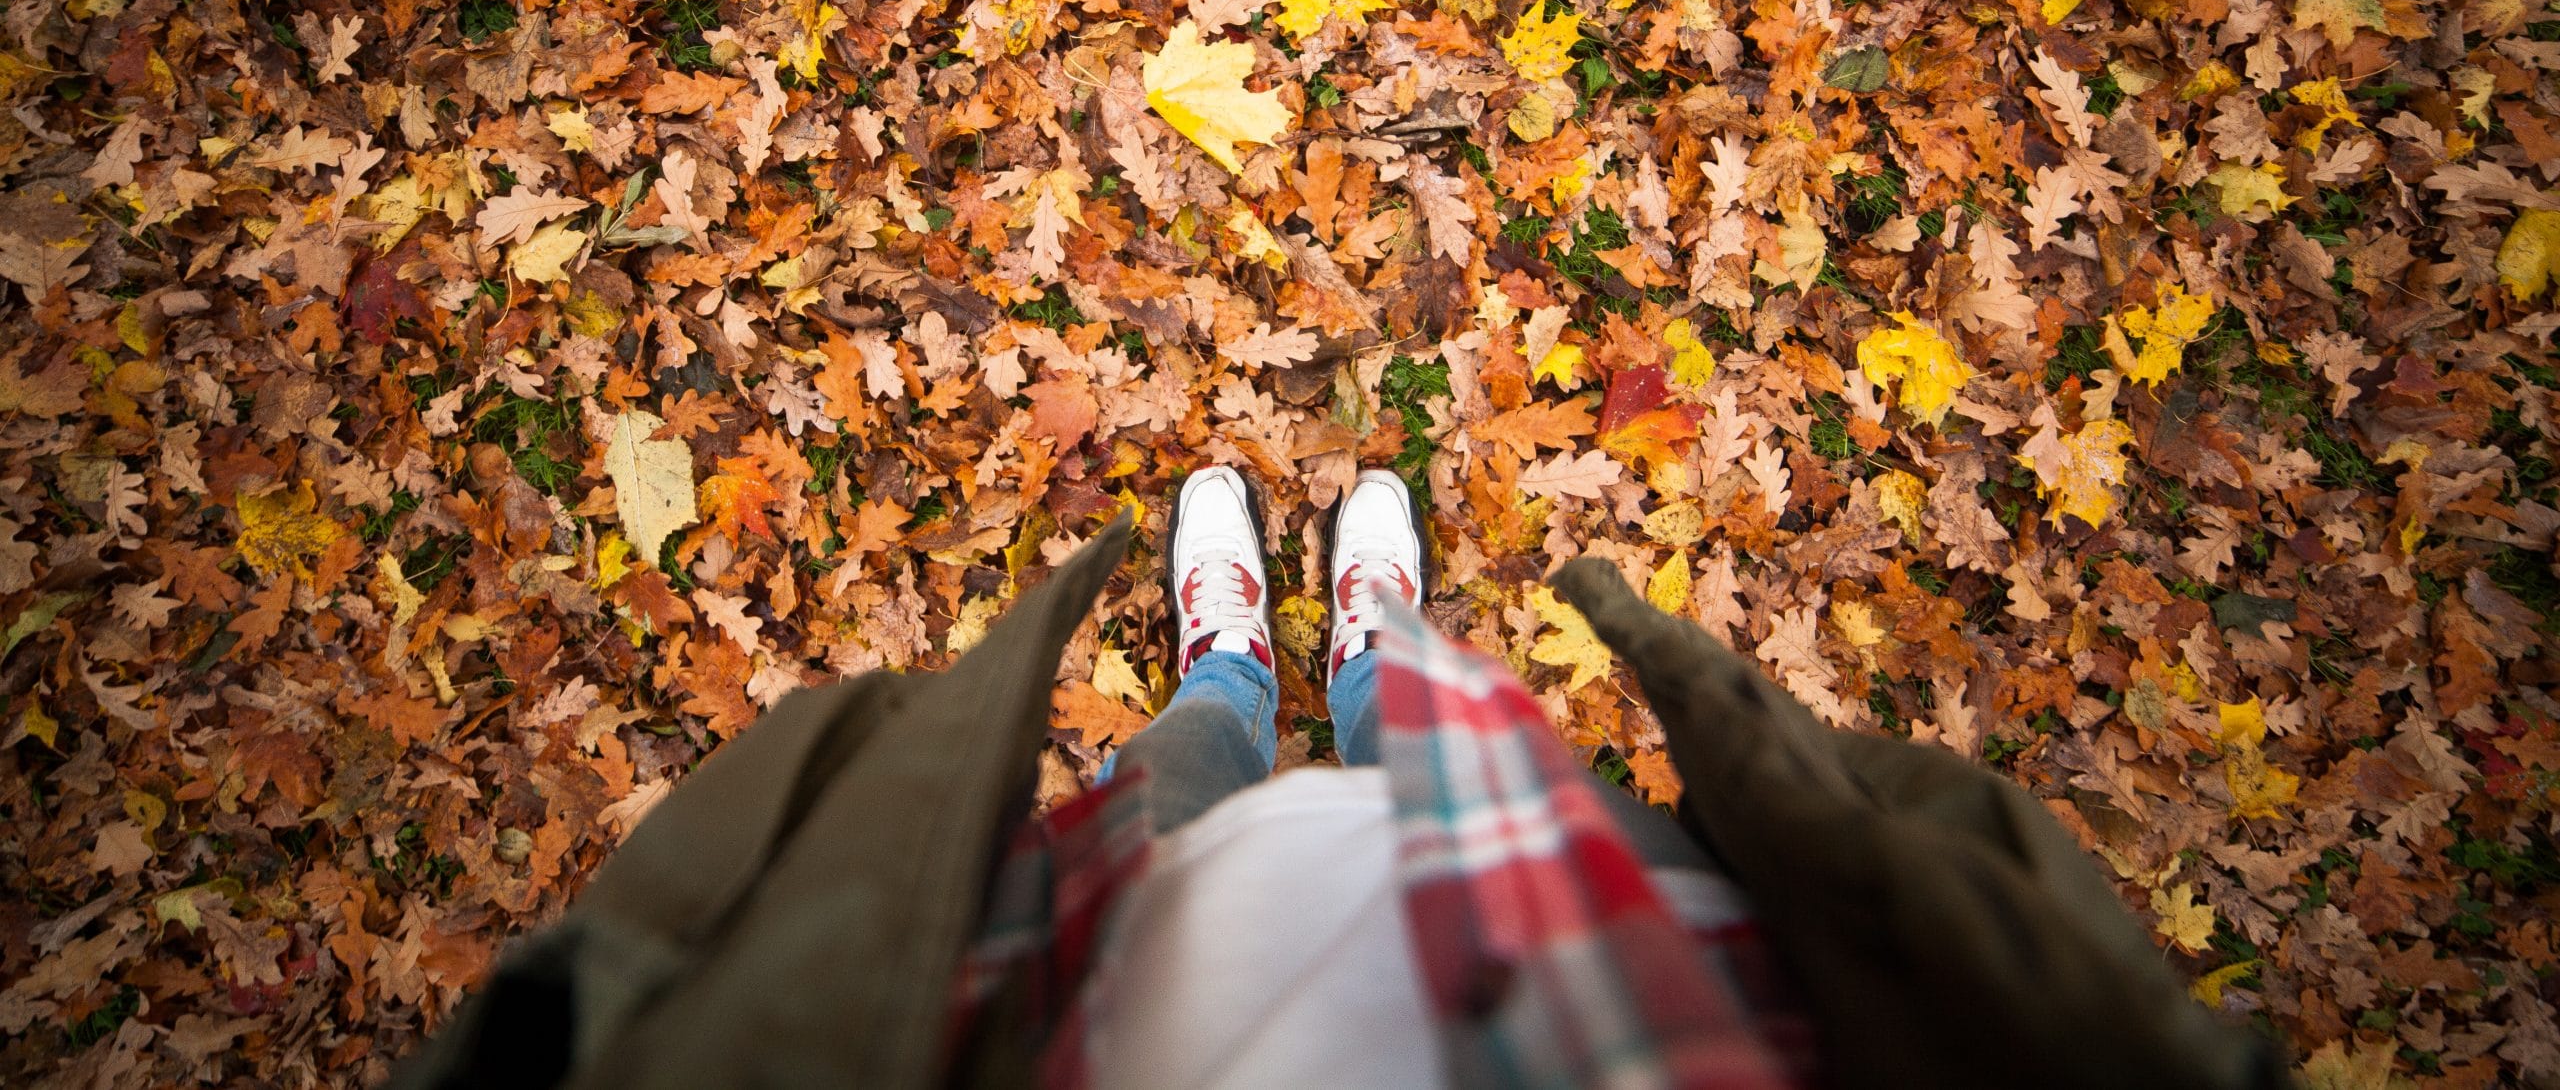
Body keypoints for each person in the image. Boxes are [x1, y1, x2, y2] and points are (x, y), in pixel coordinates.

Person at [396, 467, 2287, 1090]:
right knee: (1418, 740)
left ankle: (1238, 661)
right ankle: (1365, 647)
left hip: (1091, 996)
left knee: (1186, 778)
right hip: (1640, 956)